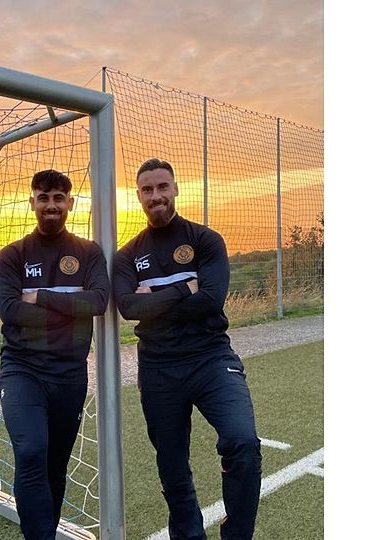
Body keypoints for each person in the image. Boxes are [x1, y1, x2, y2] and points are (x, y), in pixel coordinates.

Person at [113, 158, 262, 540]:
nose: (156, 196)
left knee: (242, 442)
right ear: (139, 197)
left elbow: (211, 301)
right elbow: (129, 308)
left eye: (163, 187)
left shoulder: (205, 240)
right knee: (172, 467)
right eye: (148, 190)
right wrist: (184, 288)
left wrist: (155, 298)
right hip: (159, 368)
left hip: (211, 359)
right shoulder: (127, 256)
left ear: (176, 189)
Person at [0, 169, 109, 540]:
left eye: (58, 198)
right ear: (32, 203)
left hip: (69, 375)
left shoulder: (88, 253)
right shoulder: (12, 256)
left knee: (55, 466)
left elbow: (98, 301)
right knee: (31, 452)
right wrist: (68, 311)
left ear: (70, 204)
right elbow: (12, 312)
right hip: (22, 370)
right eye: (43, 198)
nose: (51, 206)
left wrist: (41, 297)